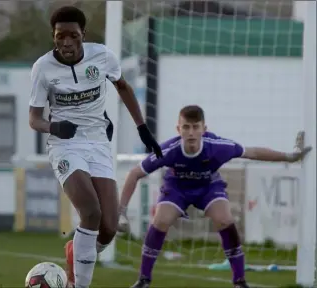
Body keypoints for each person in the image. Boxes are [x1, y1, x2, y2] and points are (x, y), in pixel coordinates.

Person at [28, 6, 163, 288]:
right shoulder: (42, 68)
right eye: (60, 36)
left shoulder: (102, 56)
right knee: (90, 212)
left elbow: (122, 87)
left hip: (99, 142)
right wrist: (54, 127)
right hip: (65, 145)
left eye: (73, 36)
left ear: (83, 35)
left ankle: (75, 251)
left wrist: (142, 128)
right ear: (53, 36)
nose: (66, 42)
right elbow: (34, 119)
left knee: (110, 227)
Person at [118, 105, 312, 288]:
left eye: (195, 127)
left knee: (225, 219)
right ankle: (144, 279)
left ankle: (239, 280)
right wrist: (122, 211)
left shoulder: (218, 146)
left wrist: (289, 157)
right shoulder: (168, 150)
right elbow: (135, 173)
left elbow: (252, 152)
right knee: (160, 221)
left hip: (208, 186)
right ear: (179, 129)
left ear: (204, 128)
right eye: (186, 127)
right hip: (177, 188)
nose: (191, 132)